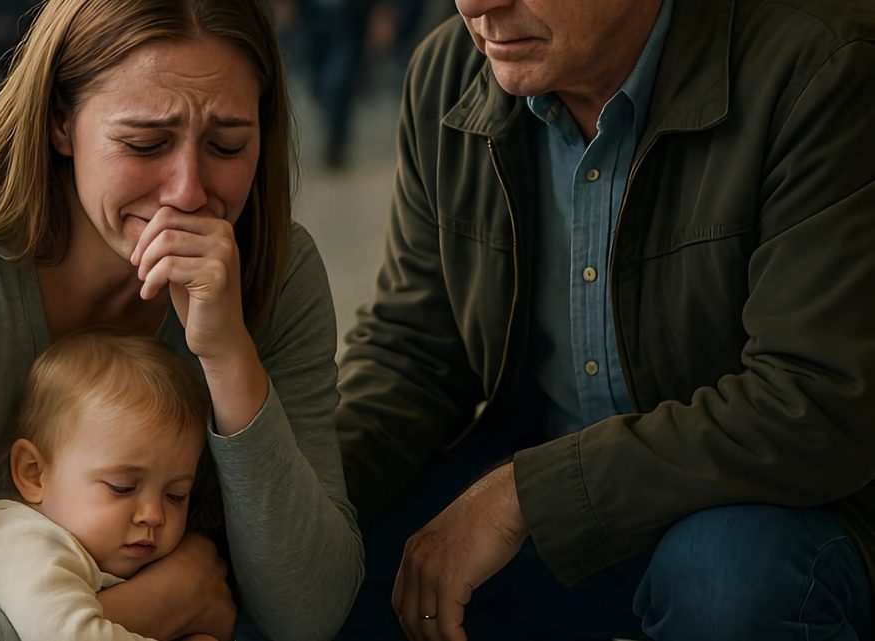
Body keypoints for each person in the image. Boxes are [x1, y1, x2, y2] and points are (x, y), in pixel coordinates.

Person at [0, 1, 363, 640]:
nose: (187, 191)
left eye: (226, 145)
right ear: (60, 121)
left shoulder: (274, 271)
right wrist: (169, 599)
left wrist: (229, 359)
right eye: (145, 143)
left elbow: (310, 612)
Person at [336, 0, 875, 639]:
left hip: (780, 514)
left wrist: (529, 495)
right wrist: (286, 503)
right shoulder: (450, 72)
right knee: (314, 570)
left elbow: (816, 402)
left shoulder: (822, 67)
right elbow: (413, 352)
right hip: (547, 497)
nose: (477, 6)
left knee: (724, 579)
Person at [0, 330, 221, 641]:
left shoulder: (95, 551)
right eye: (122, 487)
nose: (154, 515)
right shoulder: (23, 544)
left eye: (176, 495)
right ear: (34, 473)